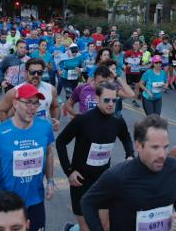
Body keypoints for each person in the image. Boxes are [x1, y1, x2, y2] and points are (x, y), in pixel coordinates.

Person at [81, 114, 176, 231]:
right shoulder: (118, 176)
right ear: (138, 145)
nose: (162, 155)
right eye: (155, 147)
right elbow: (87, 202)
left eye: (165, 147)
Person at [56, 82, 135, 231]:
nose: (111, 104)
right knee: (87, 228)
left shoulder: (117, 121)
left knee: (104, 226)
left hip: (103, 179)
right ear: (97, 98)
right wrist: (69, 171)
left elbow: (126, 137)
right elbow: (61, 142)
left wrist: (130, 155)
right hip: (80, 181)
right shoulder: (83, 120)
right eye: (106, 100)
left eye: (114, 100)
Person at [0, 83, 55, 231]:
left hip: (36, 200)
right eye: (28, 102)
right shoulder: (0, 132)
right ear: (15, 103)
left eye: (36, 103)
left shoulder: (45, 127)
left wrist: (51, 180)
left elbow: (49, 153)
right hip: (9, 203)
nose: (32, 107)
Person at [0, 59, 61, 132]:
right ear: (26, 72)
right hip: (21, 134)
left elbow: (55, 107)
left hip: (42, 132)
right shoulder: (14, 92)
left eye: (39, 72)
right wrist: (8, 130)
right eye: (32, 72)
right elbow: (2, 111)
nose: (36, 75)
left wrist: (55, 120)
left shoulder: (51, 89)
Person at [124, 40, 143, 107]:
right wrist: (127, 65)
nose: (136, 46)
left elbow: (140, 62)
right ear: (133, 45)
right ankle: (123, 98)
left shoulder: (140, 53)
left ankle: (134, 100)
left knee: (137, 86)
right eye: (135, 44)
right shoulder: (128, 52)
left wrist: (142, 64)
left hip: (137, 71)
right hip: (129, 72)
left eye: (138, 44)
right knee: (128, 86)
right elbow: (124, 61)